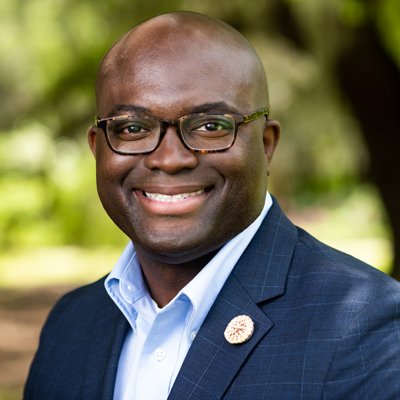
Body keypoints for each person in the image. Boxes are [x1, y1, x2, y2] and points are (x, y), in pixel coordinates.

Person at [24, 11, 400, 400]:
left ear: (266, 145)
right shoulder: (69, 328)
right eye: (133, 128)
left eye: (210, 125)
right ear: (98, 148)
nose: (169, 159)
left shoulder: (368, 327)